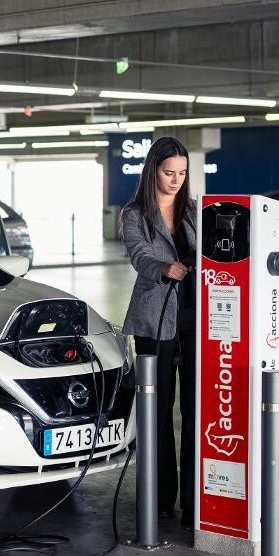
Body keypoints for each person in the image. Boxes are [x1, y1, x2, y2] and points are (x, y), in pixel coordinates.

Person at [120, 136, 197, 530]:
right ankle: (161, 497)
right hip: (154, 321)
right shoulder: (135, 214)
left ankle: (196, 500)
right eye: (169, 173)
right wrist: (163, 268)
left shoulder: (193, 211)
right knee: (159, 410)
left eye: (182, 174)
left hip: (195, 322)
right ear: (153, 170)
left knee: (196, 410)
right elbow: (139, 255)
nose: (176, 181)